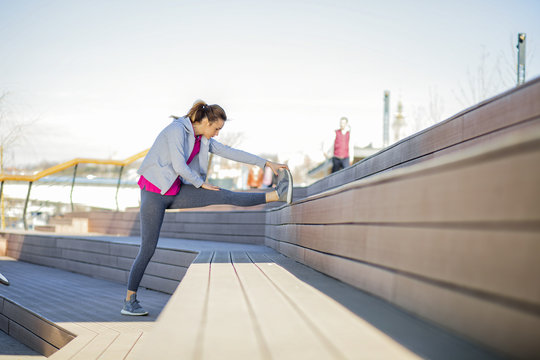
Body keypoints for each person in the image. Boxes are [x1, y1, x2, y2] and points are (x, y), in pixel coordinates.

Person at [121, 100, 293, 316]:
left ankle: (278, 194)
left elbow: (231, 152)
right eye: (216, 128)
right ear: (204, 121)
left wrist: (266, 163)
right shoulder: (176, 130)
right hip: (154, 193)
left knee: (223, 194)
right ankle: (129, 300)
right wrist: (200, 183)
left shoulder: (202, 139)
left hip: (175, 192)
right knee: (148, 248)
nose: (217, 134)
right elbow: (178, 165)